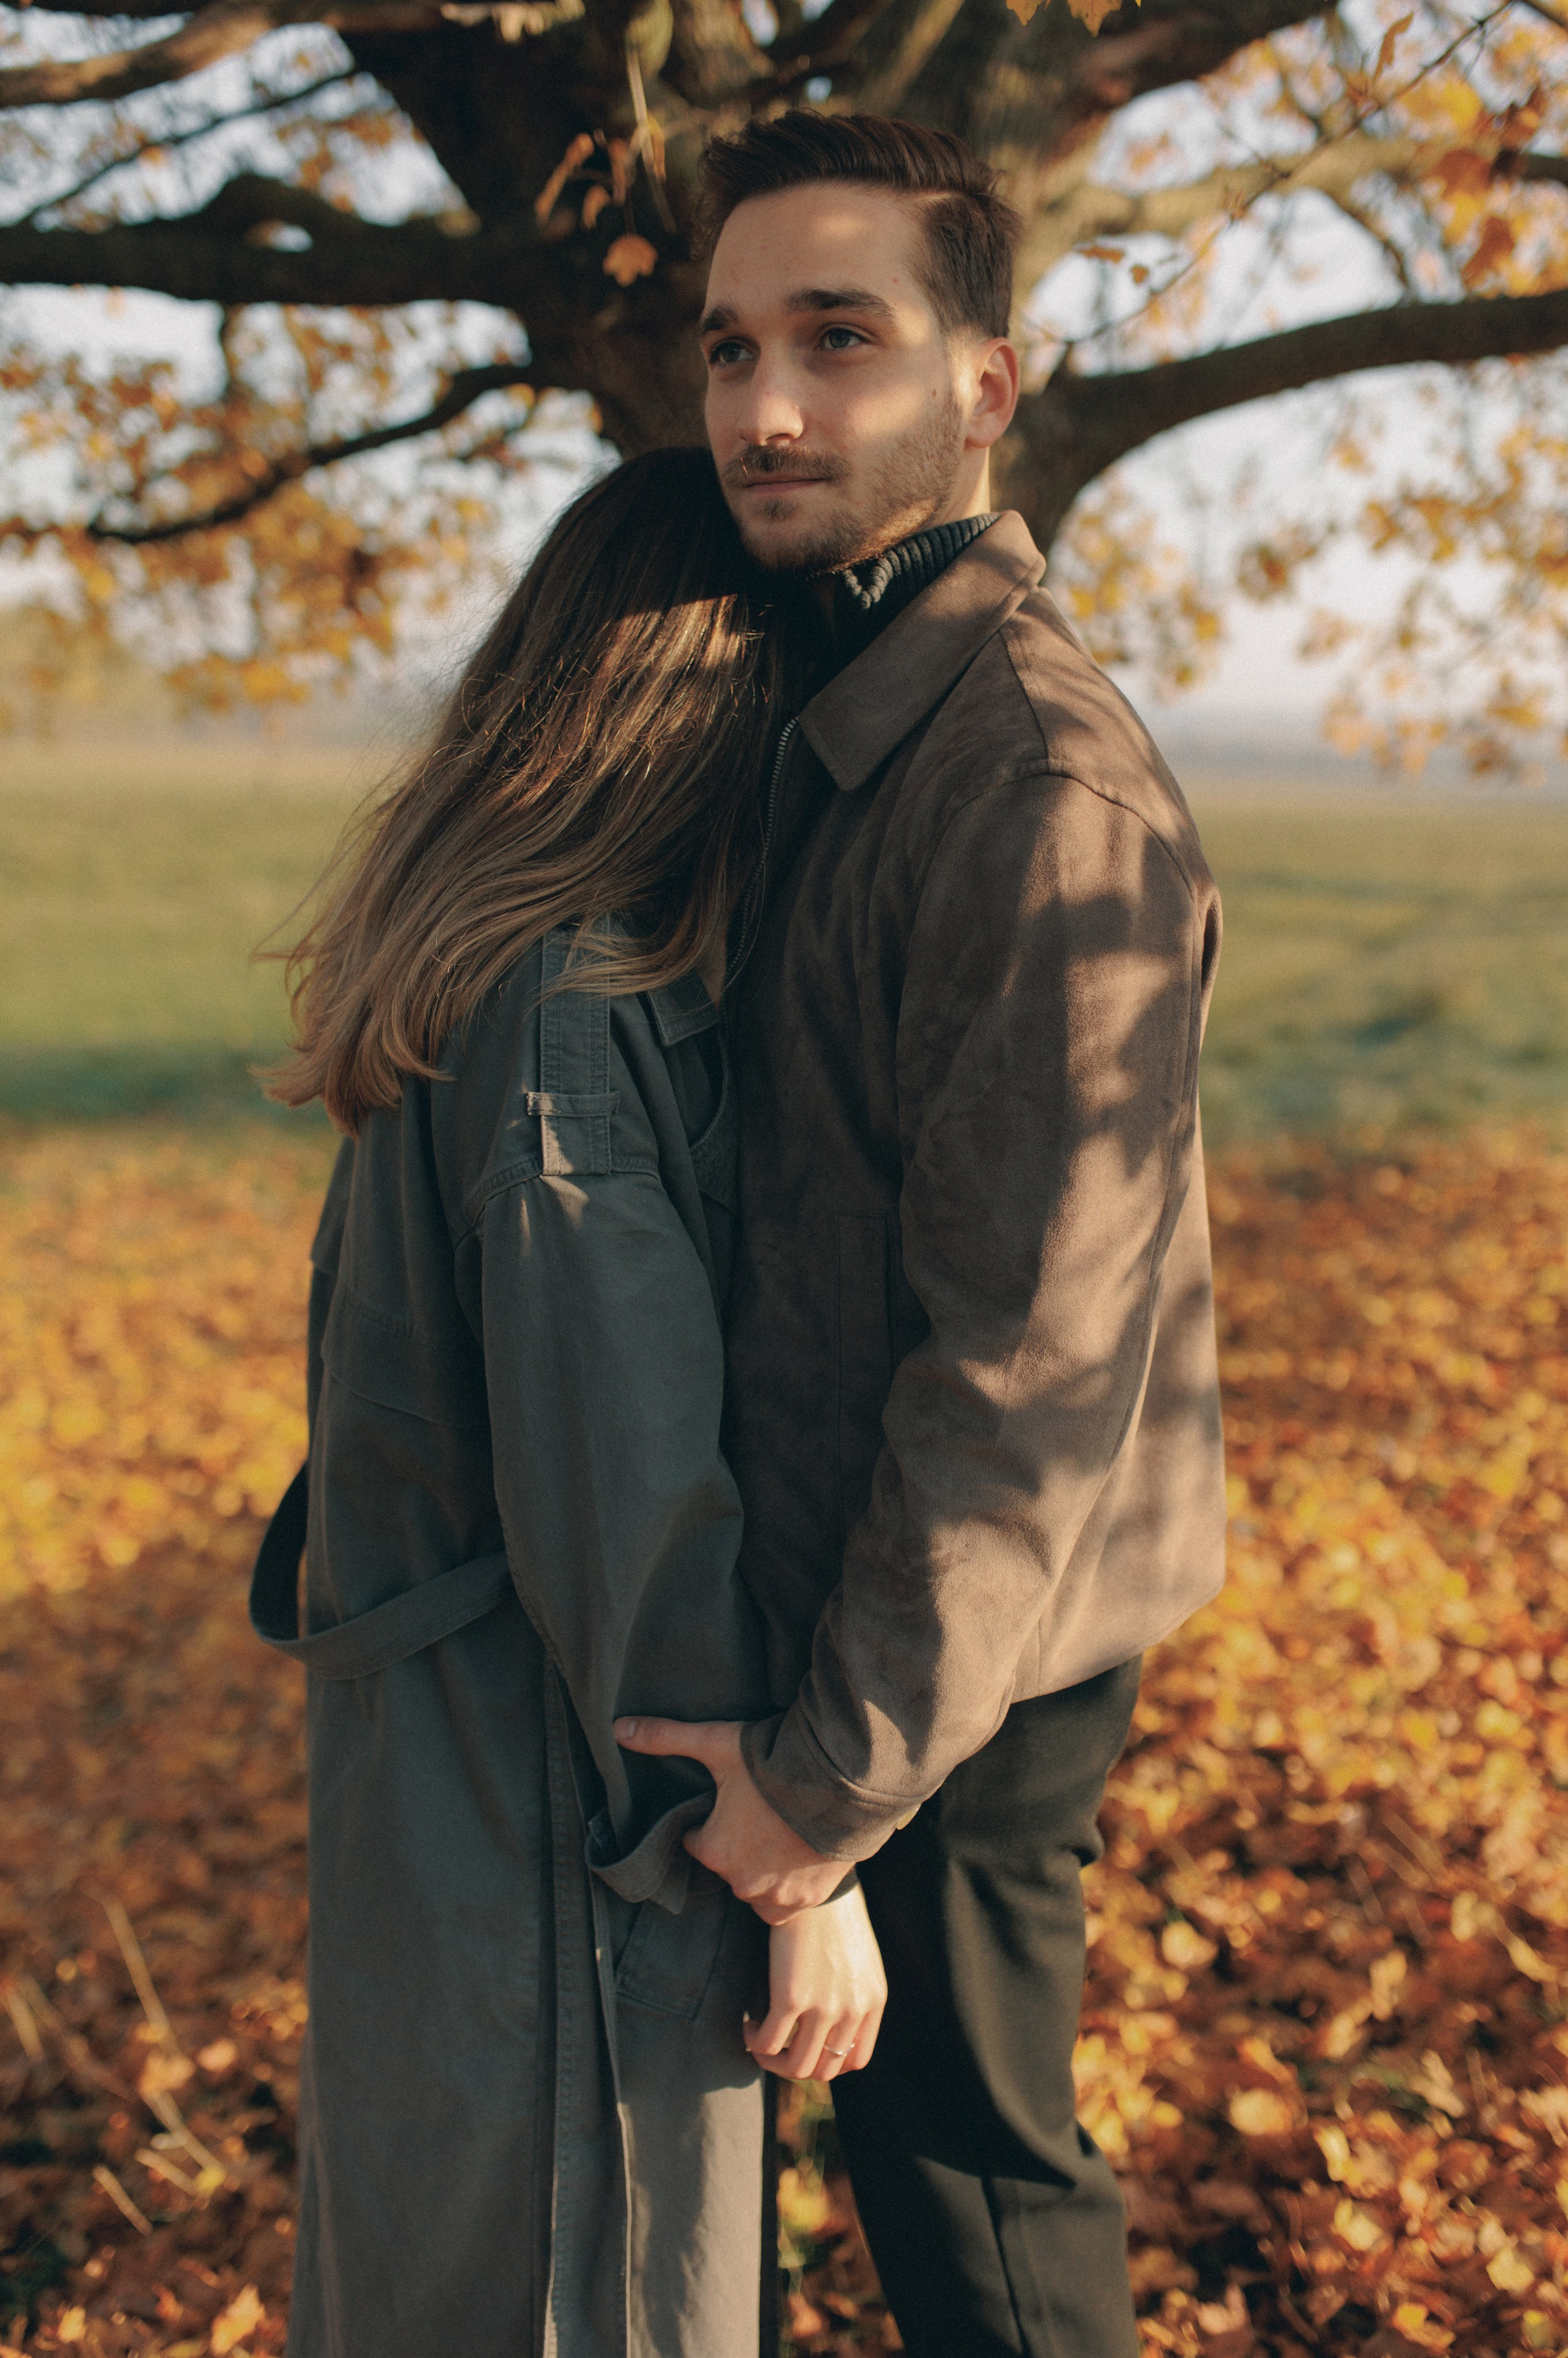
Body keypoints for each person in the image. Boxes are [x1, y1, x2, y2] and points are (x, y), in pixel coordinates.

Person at [616, 116, 1228, 2357]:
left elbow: (1029, 1376)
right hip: (860, 1597)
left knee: (974, 2204)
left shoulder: (1034, 796)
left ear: (987, 382)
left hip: (970, 1644)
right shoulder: (828, 692)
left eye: (840, 342)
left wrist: (822, 1795)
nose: (763, 409)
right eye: (731, 348)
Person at [253, 446, 887, 2358]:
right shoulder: (578, 1016)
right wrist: (791, 1855)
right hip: (565, 1824)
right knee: (577, 2294)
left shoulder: (480, 963)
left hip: (451, 1802)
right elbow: (626, 1514)